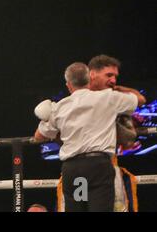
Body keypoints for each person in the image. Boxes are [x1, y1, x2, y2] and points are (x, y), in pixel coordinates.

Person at [33, 62, 141, 211]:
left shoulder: (59, 107)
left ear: (69, 85)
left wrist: (45, 117)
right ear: (89, 80)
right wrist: (118, 89)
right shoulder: (107, 98)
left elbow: (38, 137)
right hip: (98, 167)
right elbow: (139, 99)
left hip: (75, 170)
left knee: (79, 208)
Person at [88, 54, 145, 212]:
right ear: (92, 74)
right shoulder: (107, 98)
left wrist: (119, 89)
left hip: (98, 165)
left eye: (115, 76)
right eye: (109, 75)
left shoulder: (111, 98)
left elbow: (140, 100)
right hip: (87, 166)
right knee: (85, 206)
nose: (113, 80)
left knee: (110, 207)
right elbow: (140, 99)